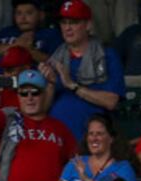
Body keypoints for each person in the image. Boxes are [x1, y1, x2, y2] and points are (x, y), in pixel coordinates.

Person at [42, 0, 127, 142]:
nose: (67, 28)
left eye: (74, 22)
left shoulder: (106, 55)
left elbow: (111, 101)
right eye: (64, 22)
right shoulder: (55, 58)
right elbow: (42, 109)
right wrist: (50, 84)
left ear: (87, 25)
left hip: (90, 140)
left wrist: (73, 86)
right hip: (56, 138)